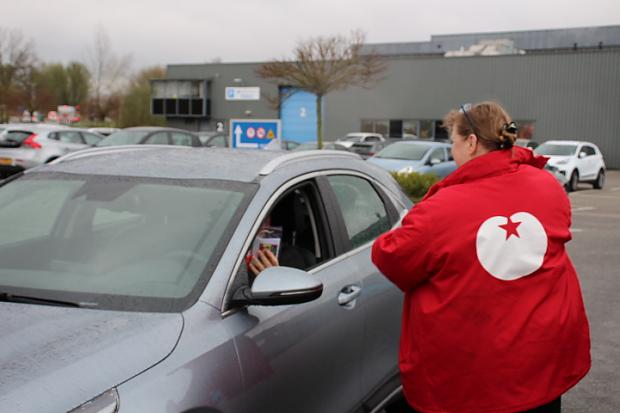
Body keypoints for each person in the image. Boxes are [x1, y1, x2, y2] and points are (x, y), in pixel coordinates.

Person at [371, 101, 590, 413]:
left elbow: (392, 258)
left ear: (471, 143)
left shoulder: (442, 208)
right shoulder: (547, 185)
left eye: (455, 142)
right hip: (542, 361)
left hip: (476, 377)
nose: (453, 150)